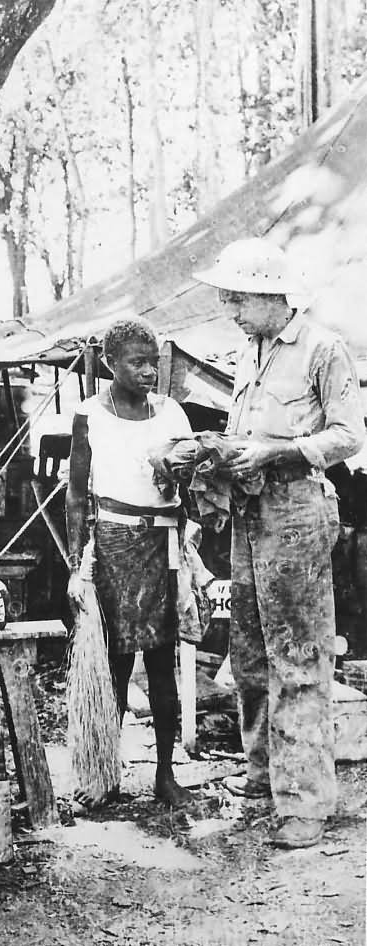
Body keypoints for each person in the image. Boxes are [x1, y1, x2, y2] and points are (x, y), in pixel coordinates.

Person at [193, 237, 365, 848]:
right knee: (249, 654)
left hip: (297, 509)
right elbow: (246, 430)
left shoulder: (323, 348)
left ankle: (305, 802)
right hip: (249, 512)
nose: (230, 310)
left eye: (237, 299)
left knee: (298, 655)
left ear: (271, 295)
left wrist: (277, 452)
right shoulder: (249, 351)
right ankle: (263, 775)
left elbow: (348, 436)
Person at [66, 316, 196, 809]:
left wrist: (185, 476)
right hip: (113, 544)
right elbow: (76, 496)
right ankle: (105, 773)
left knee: (162, 664)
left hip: (163, 544)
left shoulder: (172, 414)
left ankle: (165, 775)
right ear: (109, 363)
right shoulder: (89, 415)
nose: (148, 372)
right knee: (114, 666)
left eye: (153, 363)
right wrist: (77, 565)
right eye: (137, 362)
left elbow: (190, 485)